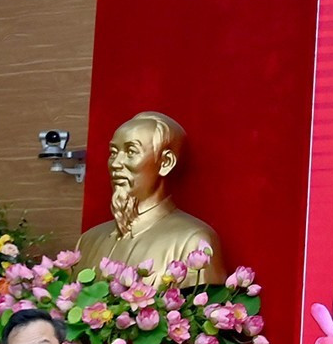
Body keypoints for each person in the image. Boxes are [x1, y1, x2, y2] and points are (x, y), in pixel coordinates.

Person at [77, 111, 224, 283]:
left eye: (131, 151)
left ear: (166, 162)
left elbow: (201, 305)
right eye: (113, 152)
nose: (116, 164)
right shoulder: (88, 241)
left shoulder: (193, 242)